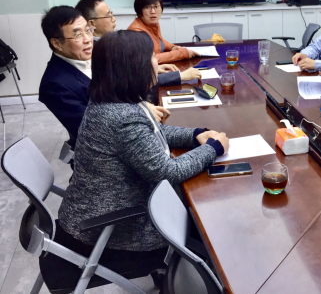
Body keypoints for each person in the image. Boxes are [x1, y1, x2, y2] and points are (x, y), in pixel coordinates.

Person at [56, 30, 229, 284]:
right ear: (133, 68)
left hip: (95, 217)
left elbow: (150, 132)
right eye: (151, 58)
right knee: (209, 227)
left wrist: (195, 135)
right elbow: (167, 172)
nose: (157, 62)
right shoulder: (122, 117)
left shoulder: (111, 99)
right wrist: (213, 148)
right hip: (109, 232)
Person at [39, 6, 169, 148]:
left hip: (137, 126)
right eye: (77, 35)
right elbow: (94, 130)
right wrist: (141, 110)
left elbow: (127, 79)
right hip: (110, 148)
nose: (88, 39)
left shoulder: (98, 48)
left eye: (87, 30)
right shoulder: (54, 85)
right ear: (57, 43)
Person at [75, 0, 202, 85]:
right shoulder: (97, 50)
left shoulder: (108, 42)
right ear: (92, 24)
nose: (114, 19)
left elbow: (131, 70)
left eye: (156, 7)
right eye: (109, 16)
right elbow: (131, 81)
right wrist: (179, 76)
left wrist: (155, 68)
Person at [128, 0, 199, 64]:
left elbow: (158, 40)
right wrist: (181, 54)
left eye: (156, 7)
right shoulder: (136, 31)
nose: (153, 11)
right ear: (139, 11)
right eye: (147, 7)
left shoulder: (153, 23)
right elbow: (150, 59)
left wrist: (172, 47)